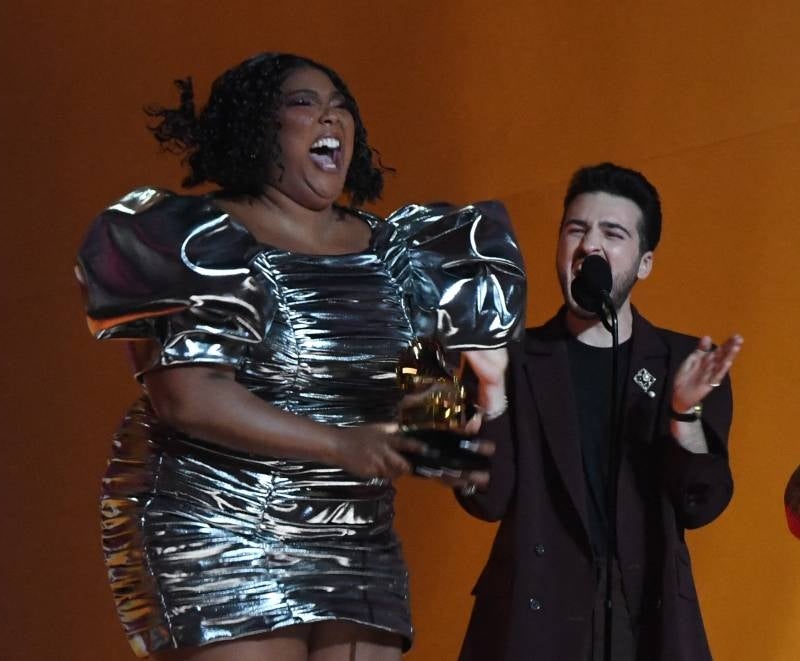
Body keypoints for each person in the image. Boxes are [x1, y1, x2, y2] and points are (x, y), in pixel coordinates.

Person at [75, 53, 526, 660]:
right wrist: (340, 444)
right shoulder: (198, 239)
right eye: (304, 102)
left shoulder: (397, 253)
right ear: (258, 128)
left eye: (341, 104)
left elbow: (421, 388)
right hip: (221, 522)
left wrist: (448, 429)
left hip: (355, 531)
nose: (330, 116)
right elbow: (187, 397)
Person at [456, 163, 743, 661]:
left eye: (612, 233)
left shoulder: (685, 363)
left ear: (644, 261)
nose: (590, 246)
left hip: (648, 622)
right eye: (576, 229)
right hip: (533, 620)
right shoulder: (506, 357)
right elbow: (487, 502)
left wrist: (682, 413)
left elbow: (702, 505)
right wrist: (490, 393)